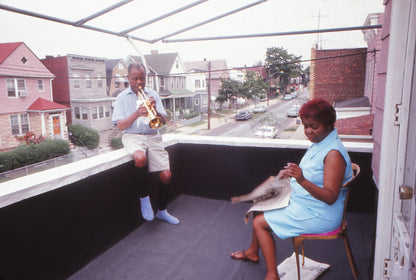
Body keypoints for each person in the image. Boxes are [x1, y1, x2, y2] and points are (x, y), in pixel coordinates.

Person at [230, 99, 352, 280]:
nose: (308, 131)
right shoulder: (321, 142)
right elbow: (315, 173)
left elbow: (331, 197)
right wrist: (292, 174)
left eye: (314, 126)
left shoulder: (333, 154)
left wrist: (301, 179)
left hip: (320, 213)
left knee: (259, 224)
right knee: (260, 206)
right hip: (306, 201)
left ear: (329, 124)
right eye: (305, 126)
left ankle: (272, 275)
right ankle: (252, 252)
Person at [112, 63, 179, 225]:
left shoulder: (153, 94)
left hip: (152, 135)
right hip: (132, 135)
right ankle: (144, 198)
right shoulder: (121, 97)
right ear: (128, 78)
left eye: (142, 78)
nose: (139, 82)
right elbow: (120, 125)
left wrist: (154, 111)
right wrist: (136, 113)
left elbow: (163, 121)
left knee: (166, 176)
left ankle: (162, 211)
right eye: (135, 78)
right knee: (140, 158)